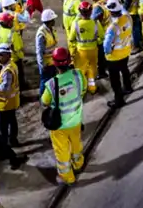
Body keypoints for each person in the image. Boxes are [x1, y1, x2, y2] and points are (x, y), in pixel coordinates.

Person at [40, 47, 87, 185]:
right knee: (76, 144)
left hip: (59, 125)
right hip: (76, 120)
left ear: (54, 63)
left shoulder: (52, 84)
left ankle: (68, 177)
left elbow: (44, 101)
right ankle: (78, 164)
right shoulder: (78, 75)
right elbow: (83, 90)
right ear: (69, 61)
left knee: (62, 151)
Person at [102, 0, 134, 108]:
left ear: (110, 12)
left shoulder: (112, 28)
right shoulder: (128, 18)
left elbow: (106, 45)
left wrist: (107, 53)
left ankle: (119, 100)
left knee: (115, 81)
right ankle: (128, 87)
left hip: (114, 57)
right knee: (125, 69)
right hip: (126, 51)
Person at [69, 1, 102, 94]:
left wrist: (75, 46)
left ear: (80, 12)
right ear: (91, 11)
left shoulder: (76, 24)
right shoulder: (96, 23)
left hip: (81, 52)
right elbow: (102, 37)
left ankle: (81, 91)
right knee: (92, 69)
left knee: (80, 71)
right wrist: (96, 42)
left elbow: (71, 39)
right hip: (93, 50)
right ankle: (92, 88)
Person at [0, 44, 21, 148]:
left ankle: (5, 144)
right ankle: (13, 140)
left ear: (8, 55)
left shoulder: (7, 71)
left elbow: (5, 88)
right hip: (12, 101)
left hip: (5, 103)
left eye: (1, 55)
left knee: (3, 126)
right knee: (12, 121)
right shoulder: (12, 65)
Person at [0, 9, 27, 90]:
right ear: (7, 23)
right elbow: (18, 48)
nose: (12, 22)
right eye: (11, 21)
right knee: (18, 76)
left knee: (1, 75)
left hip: (0, 59)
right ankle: (20, 89)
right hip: (14, 60)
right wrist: (21, 57)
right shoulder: (13, 34)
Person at [87, 0, 110, 79]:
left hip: (102, 33)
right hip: (108, 30)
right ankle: (106, 68)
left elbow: (91, 21)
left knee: (100, 55)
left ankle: (102, 72)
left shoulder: (97, 7)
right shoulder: (104, 2)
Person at [35, 9, 59, 96]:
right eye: (53, 19)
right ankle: (43, 99)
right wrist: (41, 65)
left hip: (53, 61)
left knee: (52, 80)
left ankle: (50, 96)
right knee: (45, 82)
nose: (54, 21)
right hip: (46, 63)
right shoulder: (41, 34)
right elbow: (39, 51)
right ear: (49, 21)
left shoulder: (51, 29)